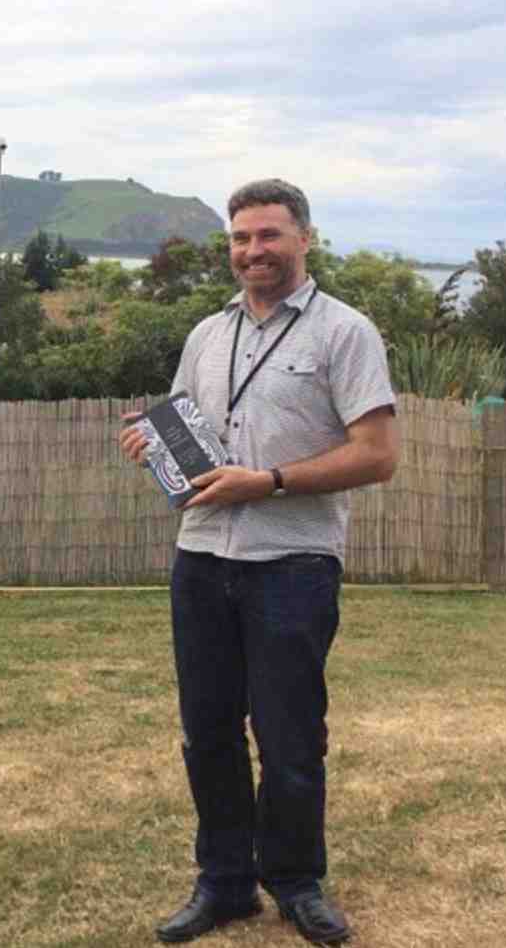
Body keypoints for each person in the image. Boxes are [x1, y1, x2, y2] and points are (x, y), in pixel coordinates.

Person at [118, 179, 399, 945]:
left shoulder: (346, 334)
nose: (253, 252)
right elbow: (183, 432)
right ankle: (224, 884)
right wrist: (155, 447)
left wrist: (268, 482)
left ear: (305, 238)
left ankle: (299, 881)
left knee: (290, 736)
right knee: (207, 731)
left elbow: (377, 456)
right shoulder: (206, 335)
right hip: (202, 561)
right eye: (241, 239)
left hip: (293, 564)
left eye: (269, 236)